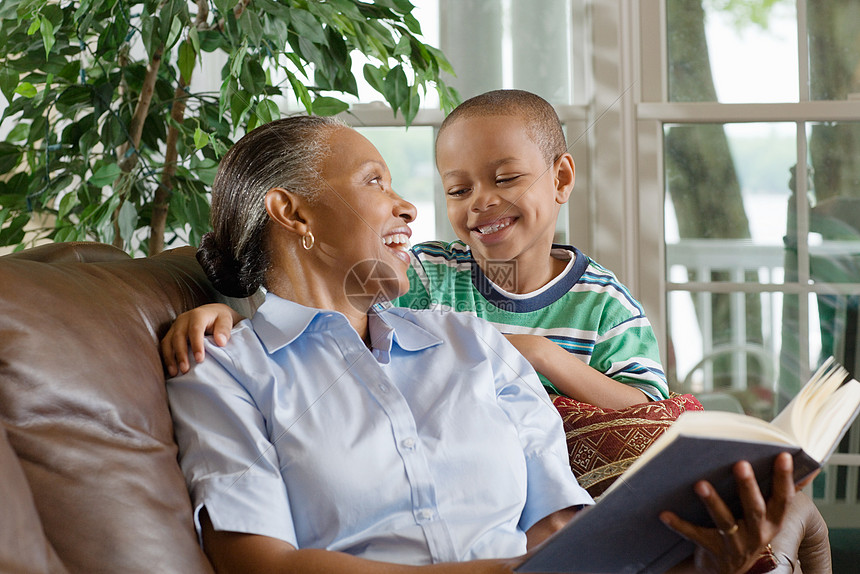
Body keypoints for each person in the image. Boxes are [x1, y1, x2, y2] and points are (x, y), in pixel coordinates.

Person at [165, 115, 794, 574]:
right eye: (375, 181)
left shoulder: (469, 340)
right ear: (293, 214)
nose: (409, 206)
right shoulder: (223, 370)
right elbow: (256, 561)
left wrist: (711, 565)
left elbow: (559, 527)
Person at [163, 90, 664, 410]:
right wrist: (226, 309)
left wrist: (540, 355)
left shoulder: (606, 305)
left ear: (560, 178)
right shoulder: (424, 273)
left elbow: (652, 412)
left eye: (506, 178)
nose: (482, 202)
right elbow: (318, 310)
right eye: (457, 190)